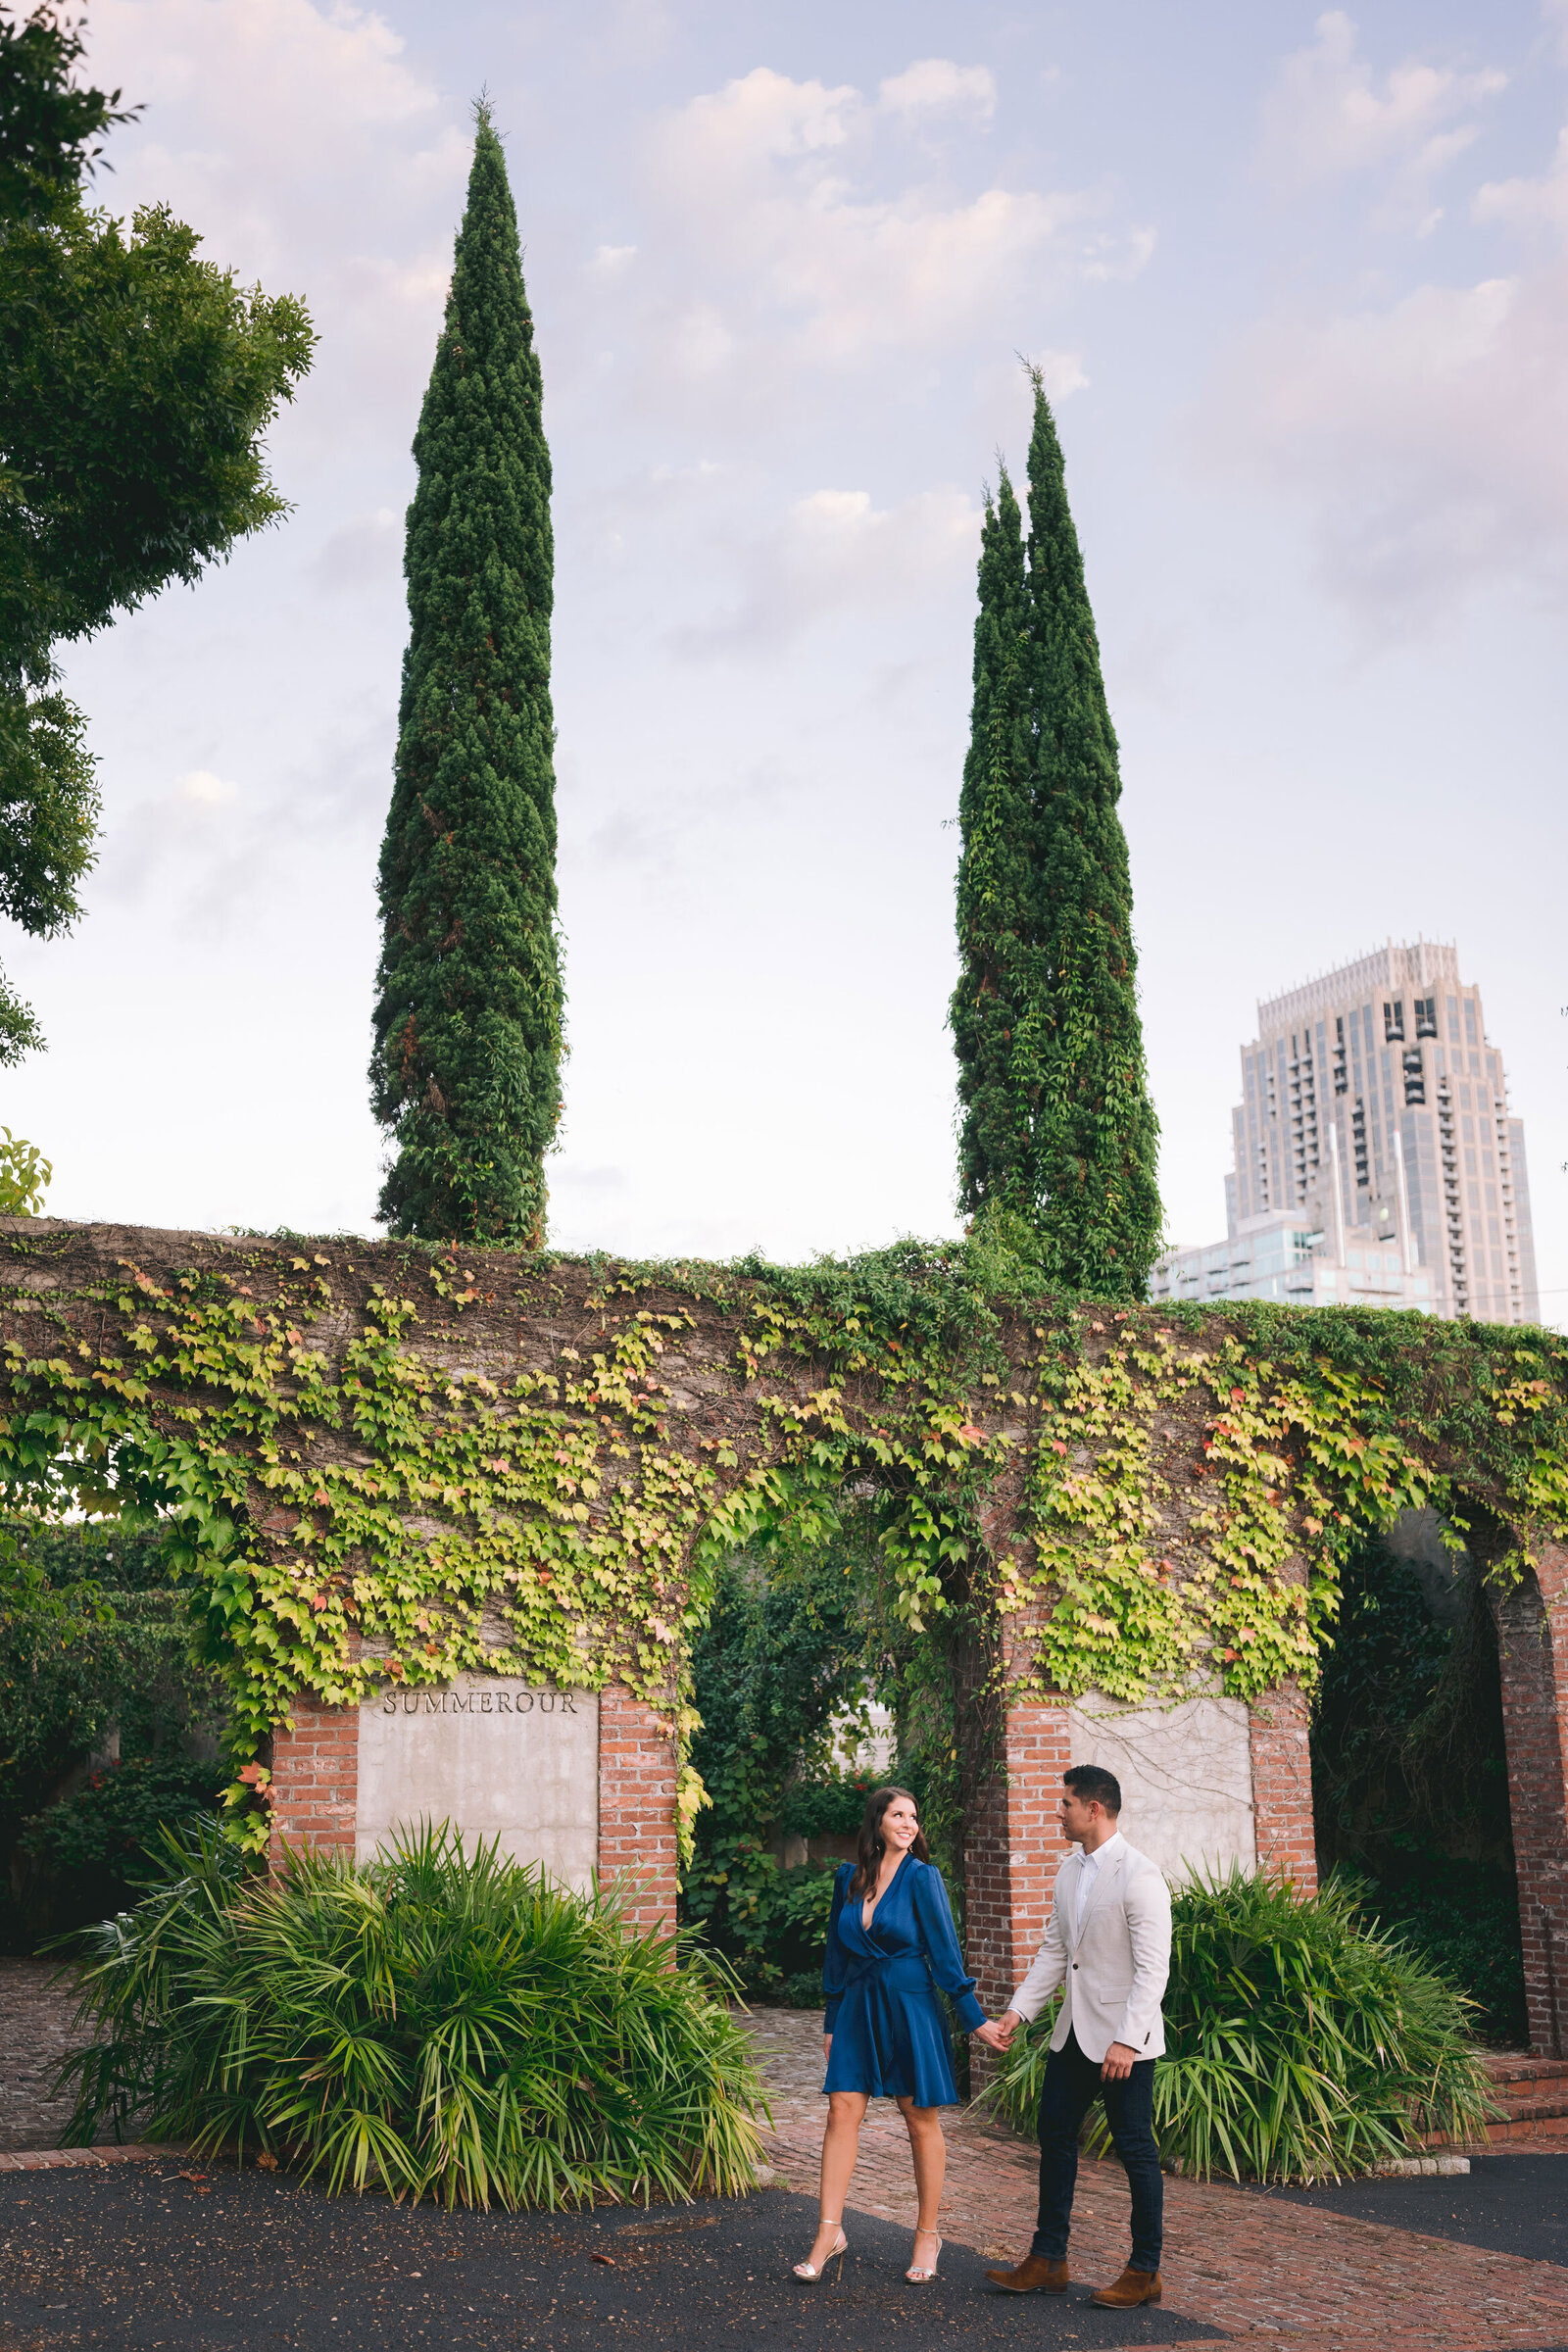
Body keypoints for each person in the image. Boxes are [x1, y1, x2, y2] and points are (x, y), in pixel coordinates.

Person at [791, 1784, 1004, 2286]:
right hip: (858, 2009)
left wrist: (975, 2019)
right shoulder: (848, 1878)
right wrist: (830, 2020)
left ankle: (928, 2235)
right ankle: (829, 2232)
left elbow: (946, 1954)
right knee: (841, 2109)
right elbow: (836, 1956)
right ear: (877, 1824)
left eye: (914, 1816)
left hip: (911, 2007)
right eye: (898, 1815)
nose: (909, 1824)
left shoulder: (923, 1879)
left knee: (918, 2118)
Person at [984, 1764, 1171, 2310]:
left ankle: (1144, 2271)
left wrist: (1127, 2040)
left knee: (1136, 2149)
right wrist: (1020, 2012)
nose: (1056, 1812)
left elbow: (1152, 1969)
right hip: (1072, 2036)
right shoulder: (1068, 1871)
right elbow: (1056, 1952)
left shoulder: (1140, 1875)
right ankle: (1048, 2260)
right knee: (1055, 2135)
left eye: (1064, 1803)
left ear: (1094, 1808)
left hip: (1123, 2044)